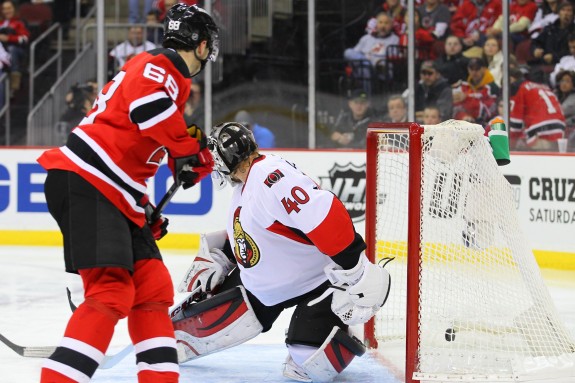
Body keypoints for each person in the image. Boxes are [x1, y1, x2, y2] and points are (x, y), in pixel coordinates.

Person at [36, 4, 219, 382]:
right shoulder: (163, 65)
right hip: (88, 181)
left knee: (152, 288)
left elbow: (137, 138)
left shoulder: (164, 73)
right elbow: (147, 109)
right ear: (201, 45)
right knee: (110, 292)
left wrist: (144, 204)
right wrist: (186, 148)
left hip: (112, 192)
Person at [173, 122, 392, 382]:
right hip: (265, 286)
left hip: (316, 282)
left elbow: (323, 215)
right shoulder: (247, 186)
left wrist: (356, 269)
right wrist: (223, 257)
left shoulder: (269, 174)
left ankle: (335, 319)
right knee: (182, 333)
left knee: (308, 362)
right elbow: (258, 233)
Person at [509, 67, 565, 150]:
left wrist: (510, 144)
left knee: (525, 150)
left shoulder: (524, 87)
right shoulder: (547, 88)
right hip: (560, 128)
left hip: (540, 129)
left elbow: (516, 121)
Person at [344, 11, 399, 94]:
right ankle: (367, 63)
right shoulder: (366, 38)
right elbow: (354, 54)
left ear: (391, 25)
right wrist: (365, 60)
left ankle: (369, 99)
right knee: (347, 52)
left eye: (386, 23)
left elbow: (395, 57)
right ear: (376, 25)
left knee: (365, 69)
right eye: (380, 22)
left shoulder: (395, 39)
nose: (383, 26)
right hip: (361, 68)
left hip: (380, 70)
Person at [452, 57, 500, 125]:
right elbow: (456, 108)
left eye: (477, 69)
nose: (474, 72)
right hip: (466, 124)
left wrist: (466, 98)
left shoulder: (492, 88)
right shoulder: (464, 86)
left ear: (484, 69)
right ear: (468, 69)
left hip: (488, 125)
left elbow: (489, 112)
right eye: (471, 69)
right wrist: (463, 116)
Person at [530, 1, 575, 66]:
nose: (566, 13)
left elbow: (571, 51)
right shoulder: (549, 29)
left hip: (566, 65)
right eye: (563, 10)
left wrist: (554, 57)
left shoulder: (573, 31)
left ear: (573, 14)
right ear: (558, 13)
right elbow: (535, 42)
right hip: (543, 63)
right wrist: (535, 49)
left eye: (569, 10)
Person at [0, 0, 29, 97]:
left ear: (14, 9)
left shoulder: (19, 22)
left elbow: (25, 39)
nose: (6, 11)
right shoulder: (1, 23)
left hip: (17, 50)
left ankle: (14, 84)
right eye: (4, 9)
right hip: (2, 52)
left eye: (9, 8)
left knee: (12, 49)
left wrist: (9, 38)